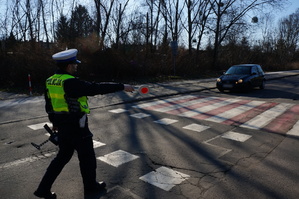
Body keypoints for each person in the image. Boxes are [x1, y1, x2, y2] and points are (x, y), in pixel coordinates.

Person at [34, 49, 134, 199]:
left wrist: (54, 122)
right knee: (87, 157)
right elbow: (96, 88)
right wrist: (121, 86)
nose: (76, 66)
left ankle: (43, 189)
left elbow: (49, 104)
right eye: (74, 64)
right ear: (68, 66)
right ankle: (91, 187)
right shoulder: (70, 82)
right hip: (77, 127)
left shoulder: (51, 80)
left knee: (61, 158)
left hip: (62, 127)